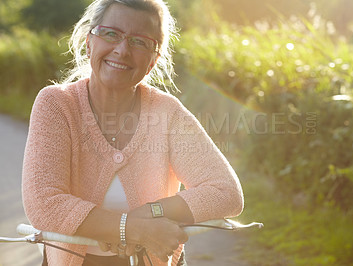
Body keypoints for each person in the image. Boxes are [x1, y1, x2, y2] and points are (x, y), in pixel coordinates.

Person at [22, 0, 244, 265]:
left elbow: (226, 192)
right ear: (89, 41)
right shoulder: (56, 104)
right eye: (111, 34)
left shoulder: (167, 112)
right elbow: (45, 204)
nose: (122, 50)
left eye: (140, 42)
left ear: (153, 60)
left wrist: (150, 212)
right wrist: (134, 229)